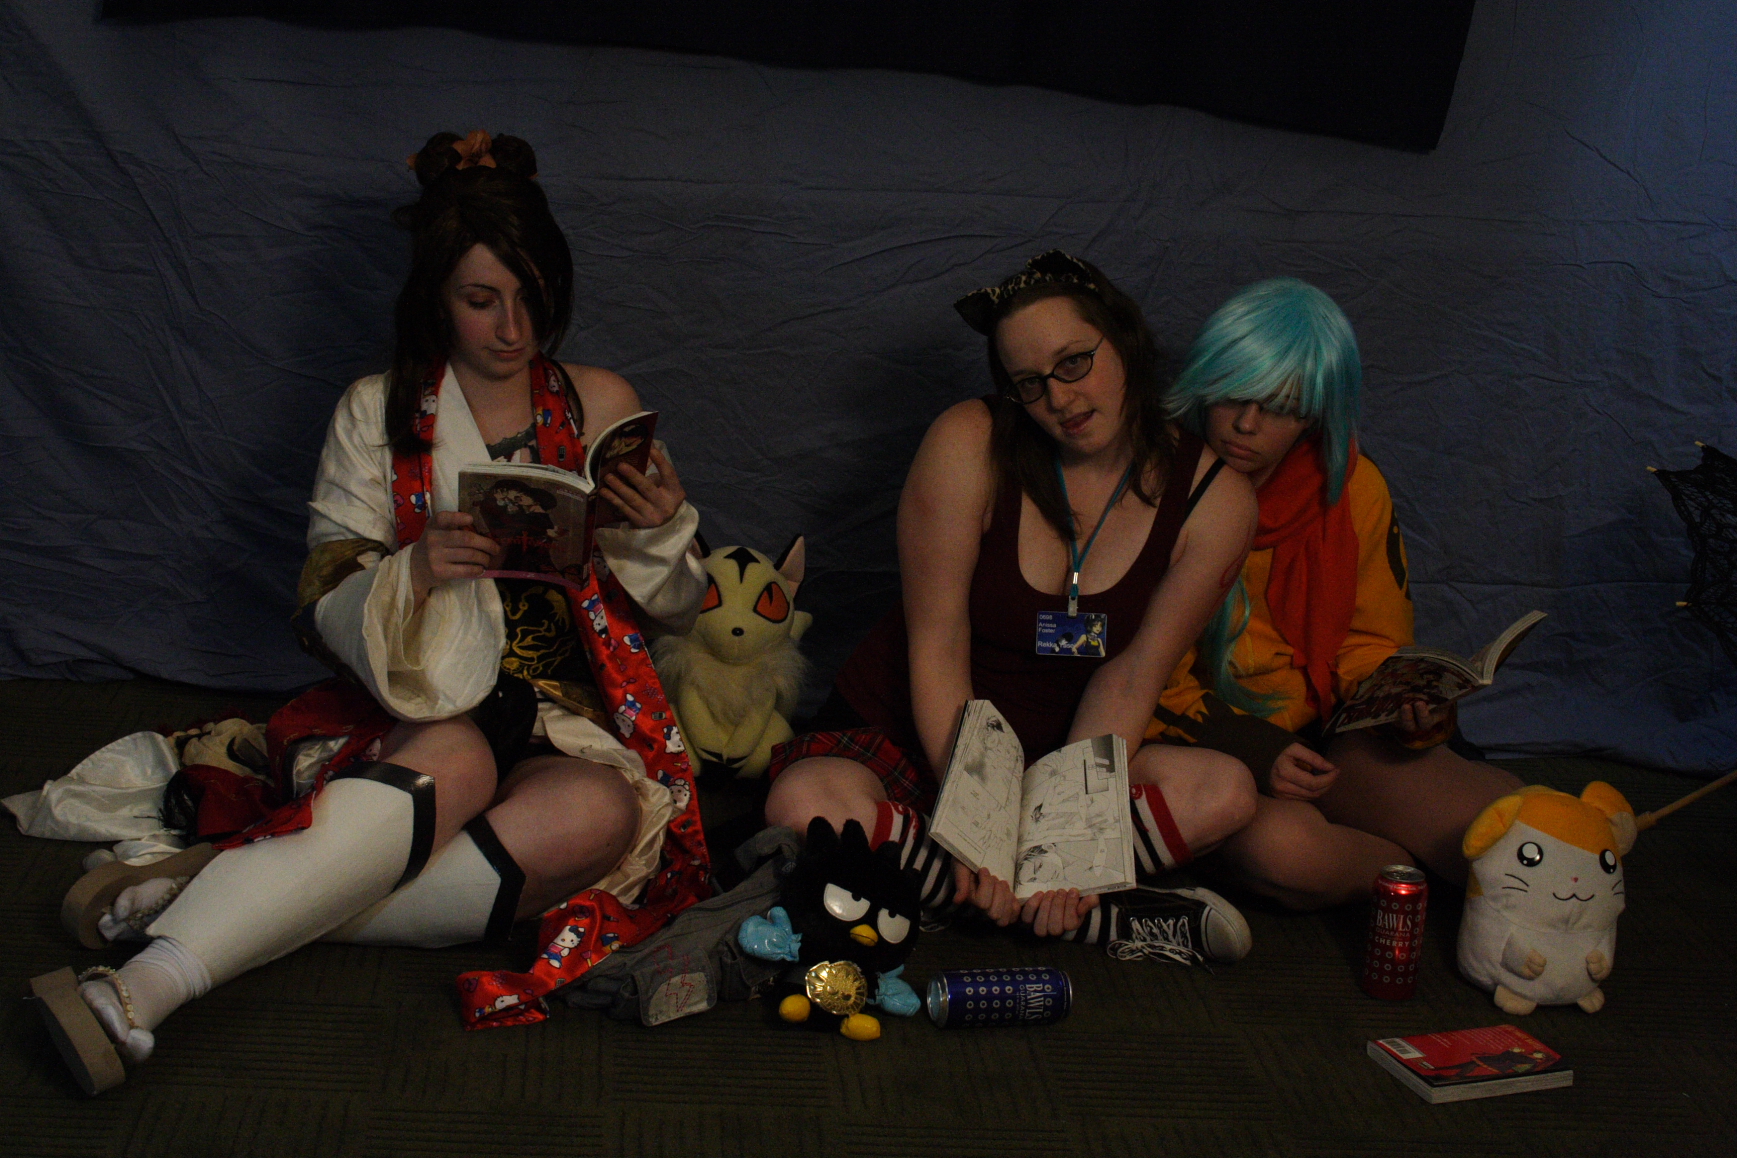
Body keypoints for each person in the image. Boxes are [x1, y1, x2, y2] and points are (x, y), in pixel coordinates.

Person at [37, 131, 708, 1090]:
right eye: (481, 300)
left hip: (568, 716)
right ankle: (141, 990)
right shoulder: (376, 409)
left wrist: (657, 530)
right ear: (435, 298)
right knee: (457, 759)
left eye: (531, 296)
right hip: (422, 703)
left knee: (598, 818)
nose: (512, 328)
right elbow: (323, 598)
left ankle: (233, 896)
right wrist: (417, 570)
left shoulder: (599, 400)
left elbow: (676, 612)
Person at [763, 251, 1261, 963]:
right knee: (801, 803)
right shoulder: (968, 441)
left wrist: (1065, 841)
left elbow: (1130, 678)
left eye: (1074, 363)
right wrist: (975, 829)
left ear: (1124, 342)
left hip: (1061, 757)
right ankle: (1101, 921)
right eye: (1029, 383)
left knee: (1225, 792)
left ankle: (938, 891)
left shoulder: (1217, 502)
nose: (1059, 399)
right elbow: (937, 643)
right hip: (922, 737)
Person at [1150, 277, 1522, 910]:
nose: (1246, 424)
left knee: (1517, 831)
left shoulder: (1350, 486)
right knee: (1288, 852)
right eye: (1233, 393)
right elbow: (1133, 674)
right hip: (1212, 746)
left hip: (1328, 732)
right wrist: (1254, 749)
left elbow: (1371, 639)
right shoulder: (1152, 478)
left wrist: (1406, 702)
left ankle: (1406, 848)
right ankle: (1408, 875)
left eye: (1281, 407)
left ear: (1317, 414)